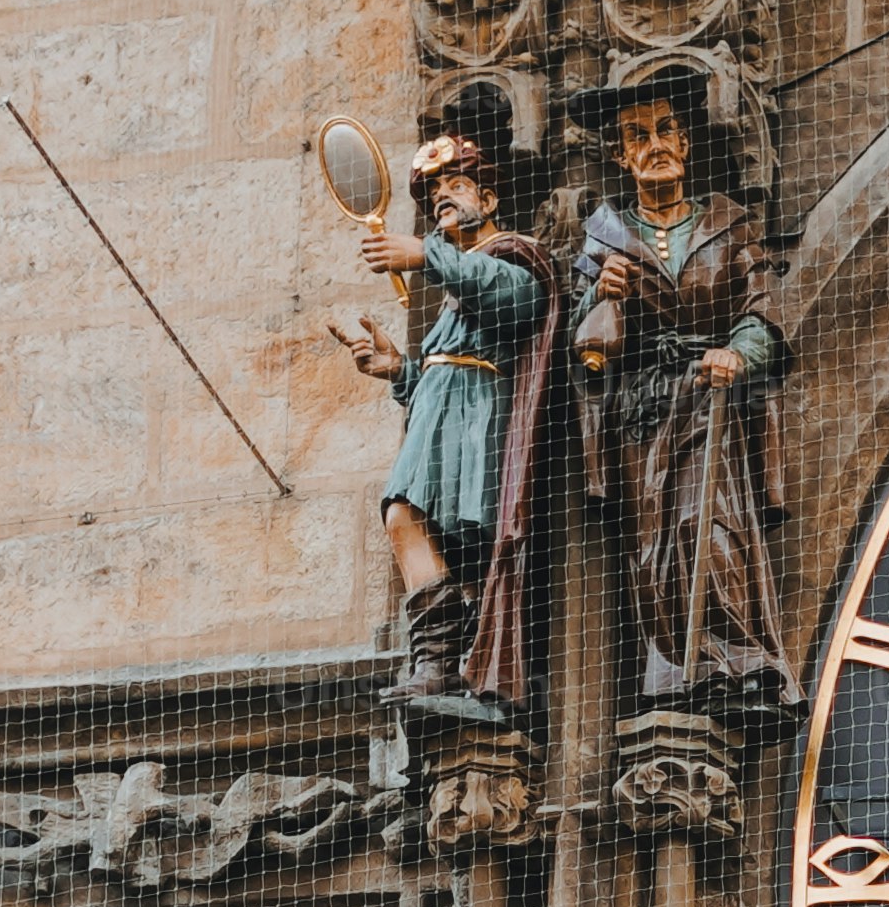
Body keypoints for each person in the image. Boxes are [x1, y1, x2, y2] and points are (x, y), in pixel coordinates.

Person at [569, 73, 796, 705]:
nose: (654, 145)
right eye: (636, 137)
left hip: (710, 395)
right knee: (653, 547)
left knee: (709, 521)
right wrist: (597, 295)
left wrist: (738, 351)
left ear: (687, 142)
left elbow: (763, 312)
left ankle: (735, 655)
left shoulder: (728, 224)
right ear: (620, 156)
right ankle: (676, 662)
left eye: (665, 130)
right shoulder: (604, 240)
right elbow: (580, 353)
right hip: (643, 413)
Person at [340, 128, 554, 722]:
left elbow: (519, 302)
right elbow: (445, 361)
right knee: (406, 518)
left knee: (454, 533)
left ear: (488, 200)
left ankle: (462, 662)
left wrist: (426, 255)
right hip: (440, 412)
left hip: (478, 417)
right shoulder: (454, 291)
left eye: (456, 186)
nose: (442, 199)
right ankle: (440, 659)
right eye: (434, 194)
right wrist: (398, 371)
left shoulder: (510, 254)